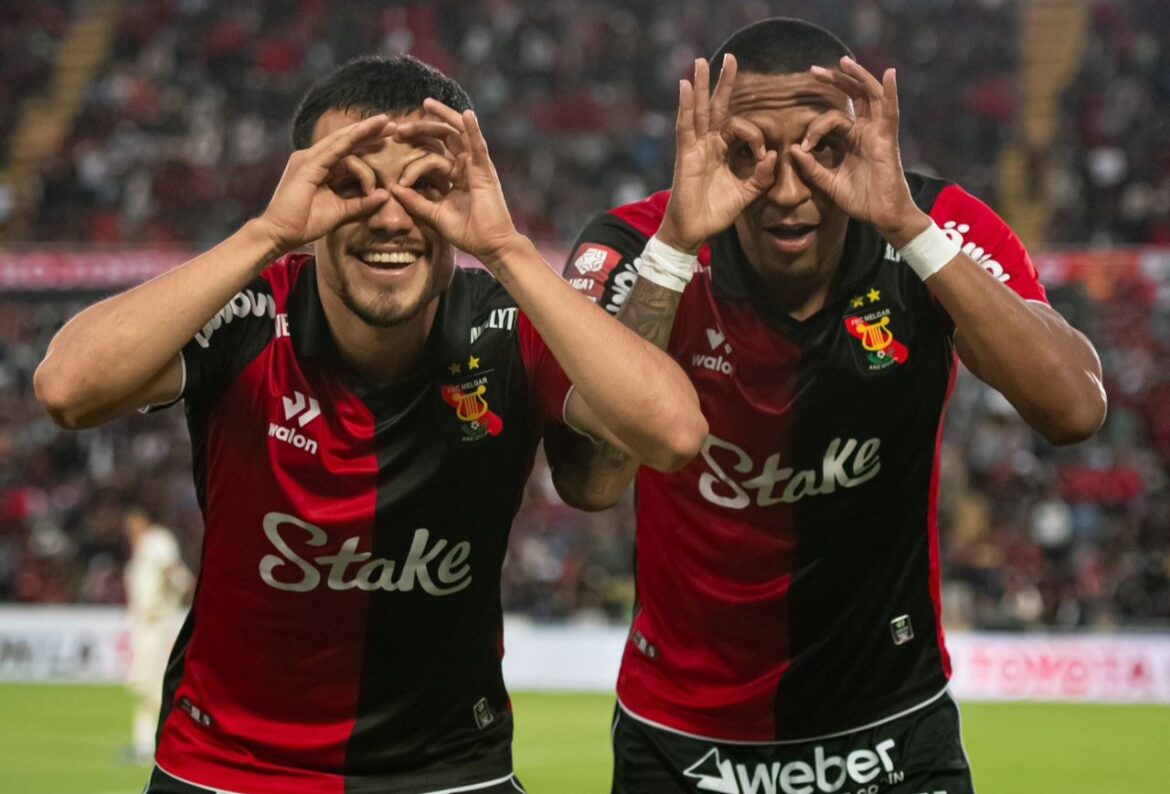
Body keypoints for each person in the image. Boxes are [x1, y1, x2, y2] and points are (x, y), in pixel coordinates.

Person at [34, 55, 707, 794]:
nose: (389, 216)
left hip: (450, 773)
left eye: (426, 187)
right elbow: (66, 388)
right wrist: (266, 233)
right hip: (228, 773)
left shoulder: (506, 326)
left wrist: (508, 250)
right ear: (304, 193)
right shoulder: (251, 314)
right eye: (349, 186)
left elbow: (671, 434)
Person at [547, 18, 1107, 794]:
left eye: (821, 148)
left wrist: (909, 228)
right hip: (683, 744)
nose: (785, 187)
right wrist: (675, 250)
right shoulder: (634, 246)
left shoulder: (928, 225)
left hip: (890, 735)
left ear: (863, 135)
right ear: (705, 143)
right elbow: (592, 482)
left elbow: (1075, 409)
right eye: (747, 151)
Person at [123, 506, 194, 765]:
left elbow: (172, 570)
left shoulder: (157, 539)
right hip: (144, 624)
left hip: (160, 623)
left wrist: (183, 591)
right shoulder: (142, 547)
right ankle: (144, 743)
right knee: (145, 686)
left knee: (154, 684)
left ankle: (165, 741)